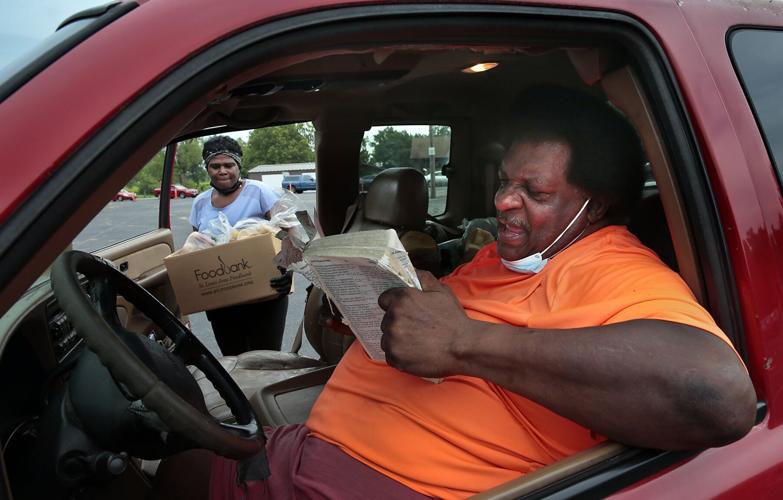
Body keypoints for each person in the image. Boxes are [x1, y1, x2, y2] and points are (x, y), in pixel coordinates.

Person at [160, 87, 756, 499]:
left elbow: (716, 395)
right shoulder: (505, 255)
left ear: (595, 206)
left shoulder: (612, 267)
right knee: (175, 456)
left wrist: (463, 341)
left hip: (379, 483)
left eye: (535, 191)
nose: (502, 202)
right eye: (504, 182)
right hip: (315, 450)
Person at [188, 135, 293, 355]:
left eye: (229, 165)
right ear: (207, 168)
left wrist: (288, 269)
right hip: (222, 294)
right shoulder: (200, 202)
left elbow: (290, 230)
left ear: (239, 166)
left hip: (265, 289)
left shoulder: (259, 191)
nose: (222, 171)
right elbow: (196, 247)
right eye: (215, 166)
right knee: (233, 357)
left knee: (266, 357)